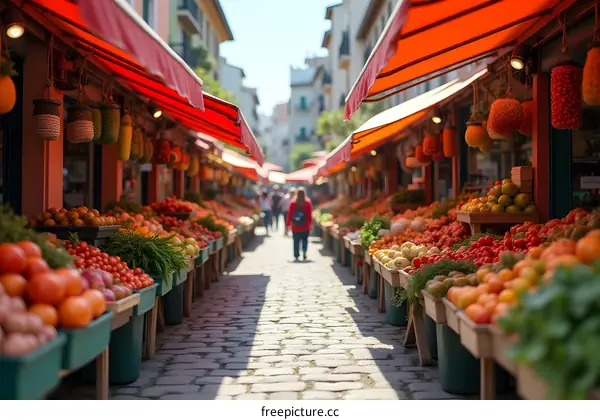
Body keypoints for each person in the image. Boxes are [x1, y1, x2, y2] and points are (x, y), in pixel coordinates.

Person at [286, 187, 313, 261]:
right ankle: (304, 251)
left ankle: (296, 255)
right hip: (305, 225)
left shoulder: (293, 202)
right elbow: (310, 214)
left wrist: (288, 224)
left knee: (296, 241)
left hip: (295, 226)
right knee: (305, 239)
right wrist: (311, 224)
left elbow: (289, 214)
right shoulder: (307, 202)